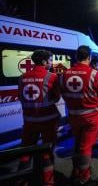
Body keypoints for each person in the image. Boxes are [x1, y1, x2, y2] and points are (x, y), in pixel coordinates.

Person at [61, 45, 98, 186]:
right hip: (91, 118)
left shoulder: (64, 74)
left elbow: (63, 94)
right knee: (86, 147)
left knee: (78, 143)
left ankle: (76, 171)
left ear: (76, 57)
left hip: (73, 117)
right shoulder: (94, 74)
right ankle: (85, 179)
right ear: (89, 57)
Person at [17, 50, 61, 186]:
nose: (51, 62)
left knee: (26, 151)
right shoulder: (51, 76)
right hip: (48, 120)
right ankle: (48, 182)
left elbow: (20, 96)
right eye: (50, 60)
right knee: (47, 152)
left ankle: (21, 181)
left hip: (29, 121)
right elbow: (57, 96)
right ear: (43, 61)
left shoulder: (22, 77)